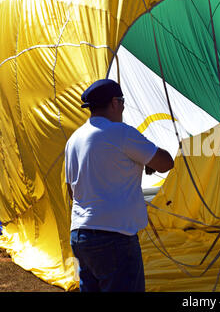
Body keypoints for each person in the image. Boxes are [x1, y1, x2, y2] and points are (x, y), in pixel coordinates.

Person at [65, 79, 174, 292]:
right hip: (114, 237)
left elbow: (72, 190)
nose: (124, 107)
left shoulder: (74, 140)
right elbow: (165, 163)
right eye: (122, 102)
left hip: (80, 235)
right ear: (115, 103)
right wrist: (145, 159)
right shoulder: (121, 133)